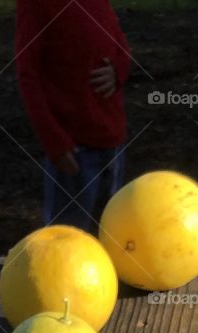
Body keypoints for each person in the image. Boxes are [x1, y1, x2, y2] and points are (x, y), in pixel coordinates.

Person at [14, 0, 131, 233]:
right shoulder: (35, 5)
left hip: (113, 141)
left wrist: (117, 71)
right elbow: (27, 74)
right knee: (68, 241)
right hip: (75, 151)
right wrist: (54, 141)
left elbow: (120, 47)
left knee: (112, 234)